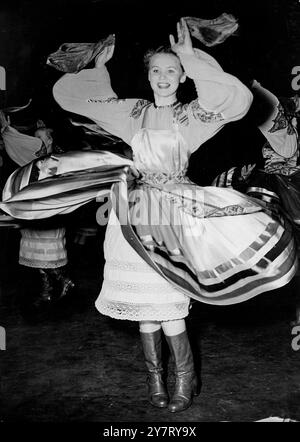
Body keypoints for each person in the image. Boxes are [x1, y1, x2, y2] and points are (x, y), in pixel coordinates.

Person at [23, 19, 296, 412]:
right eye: (156, 70)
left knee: (169, 306)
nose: (163, 77)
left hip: (174, 216)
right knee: (145, 311)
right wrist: (98, 64)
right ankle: (155, 380)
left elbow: (234, 100)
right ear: (147, 76)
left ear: (183, 77)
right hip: (132, 216)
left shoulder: (191, 117)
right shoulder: (132, 112)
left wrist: (194, 58)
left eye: (172, 70)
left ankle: (185, 379)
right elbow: (70, 96)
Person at [0, 110, 74, 307]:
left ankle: (62, 281)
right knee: (35, 258)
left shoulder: (59, 158)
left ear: (50, 138)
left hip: (50, 213)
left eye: (41, 138)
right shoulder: (34, 158)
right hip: (33, 213)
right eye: (35, 138)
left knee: (48, 255)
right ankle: (48, 290)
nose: (37, 142)